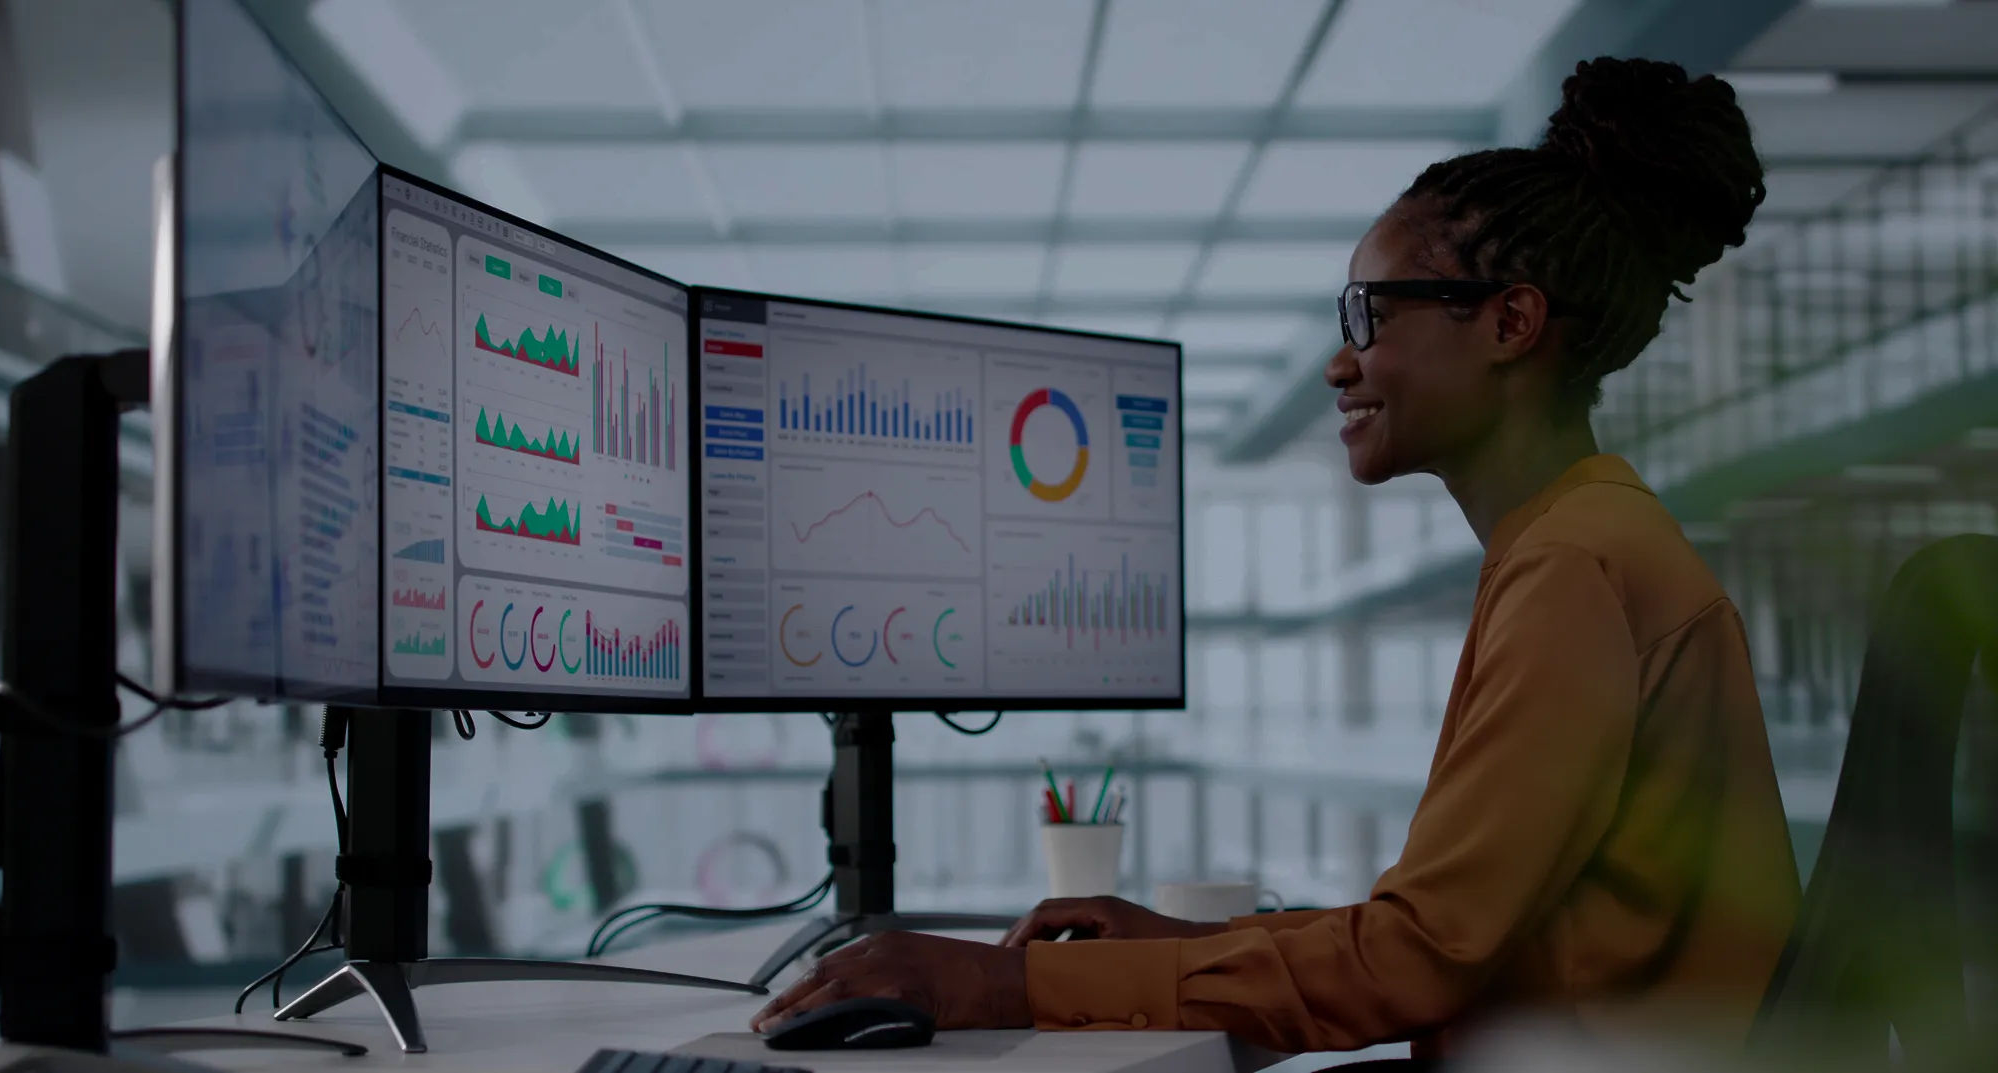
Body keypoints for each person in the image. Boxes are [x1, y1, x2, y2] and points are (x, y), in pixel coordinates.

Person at [750, 56, 1803, 1066]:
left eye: (1369, 313)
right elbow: (1455, 927)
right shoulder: (1588, 534)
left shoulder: (1573, 566)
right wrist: (1181, 948)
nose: (1339, 363)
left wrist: (1005, 983)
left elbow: (1412, 961)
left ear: (1511, 321)